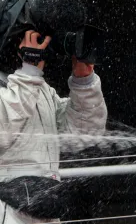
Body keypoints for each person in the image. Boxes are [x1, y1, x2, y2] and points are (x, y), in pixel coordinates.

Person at [0, 30, 108, 224]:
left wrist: (84, 80)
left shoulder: (39, 88)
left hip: (44, 212)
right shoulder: (26, 82)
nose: (42, 45)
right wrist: (30, 72)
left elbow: (82, 134)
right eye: (34, 38)